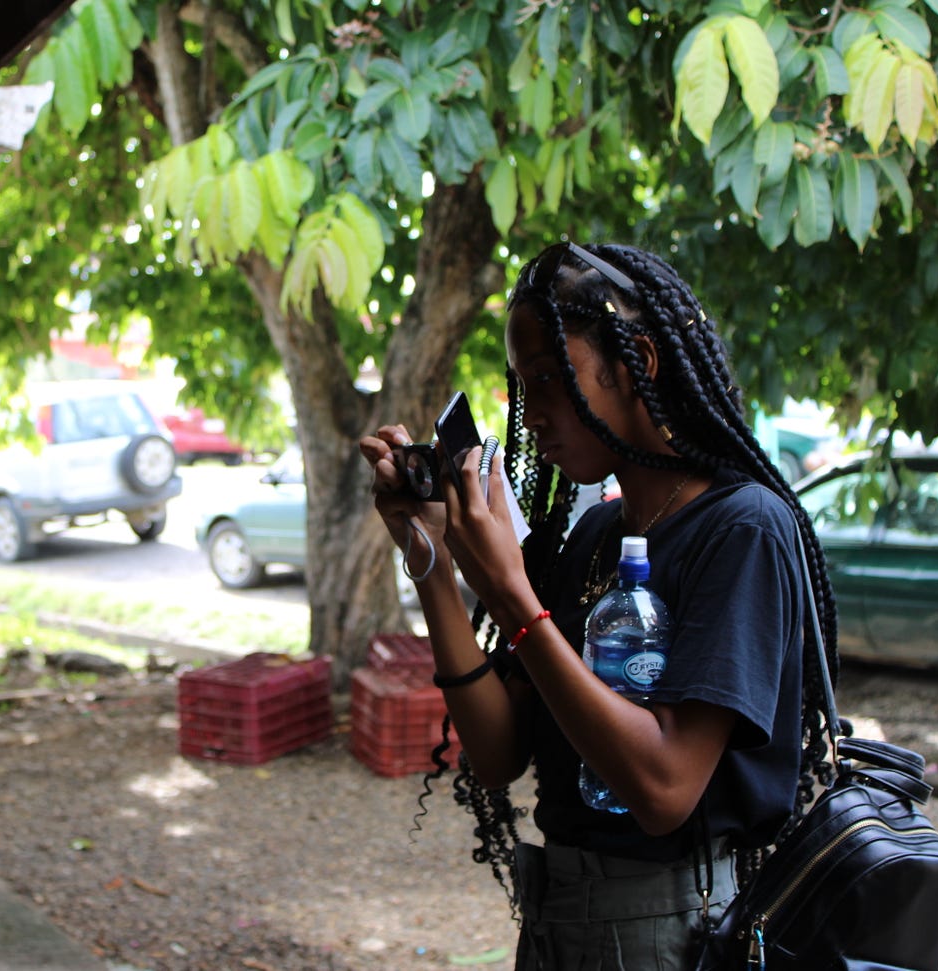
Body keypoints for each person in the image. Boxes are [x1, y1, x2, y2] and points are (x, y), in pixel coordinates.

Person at [358, 241, 839, 969]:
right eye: (523, 385)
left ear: (638, 362)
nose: (533, 413)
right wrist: (431, 558)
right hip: (561, 918)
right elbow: (496, 754)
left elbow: (663, 787)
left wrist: (512, 594)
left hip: (675, 931)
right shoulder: (593, 534)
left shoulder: (742, 528)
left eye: (551, 378)